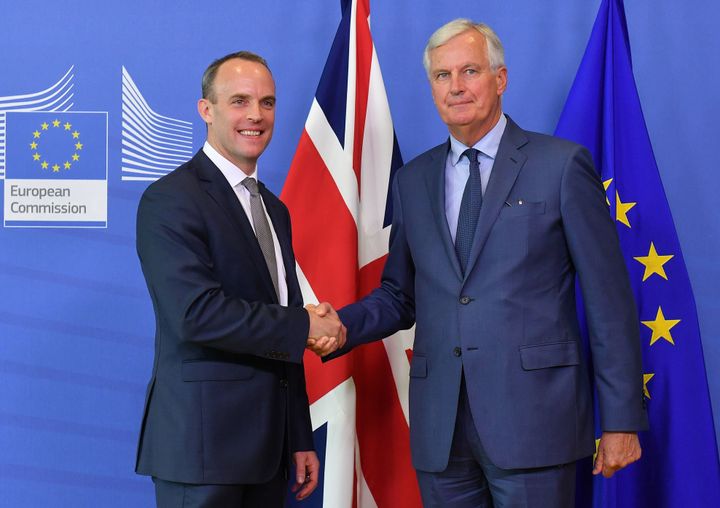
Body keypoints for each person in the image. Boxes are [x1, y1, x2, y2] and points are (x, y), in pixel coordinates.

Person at [314, 19, 648, 507]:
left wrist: (620, 420)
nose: (456, 87)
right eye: (442, 76)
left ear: (500, 78)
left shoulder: (560, 166)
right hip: (442, 430)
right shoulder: (414, 180)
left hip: (535, 422)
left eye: (469, 71)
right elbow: (400, 295)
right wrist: (339, 326)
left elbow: (608, 297)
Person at [134, 51, 343, 507]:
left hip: (268, 452)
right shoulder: (170, 200)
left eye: (267, 103)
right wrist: (307, 326)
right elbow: (197, 315)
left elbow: (280, 320)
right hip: (201, 451)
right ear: (206, 110)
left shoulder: (274, 208)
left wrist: (298, 434)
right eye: (240, 101)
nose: (255, 115)